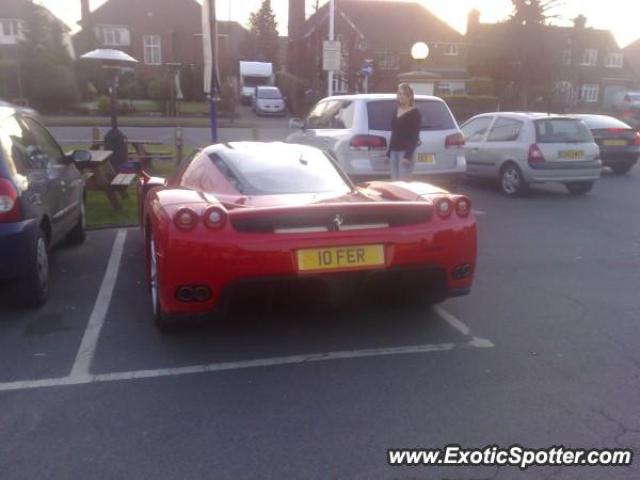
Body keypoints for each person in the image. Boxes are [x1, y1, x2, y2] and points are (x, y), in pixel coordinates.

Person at [387, 83, 422, 181]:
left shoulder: (415, 113)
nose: (401, 96)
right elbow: (394, 132)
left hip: (405, 153)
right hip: (394, 152)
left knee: (403, 184)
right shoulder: (396, 110)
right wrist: (389, 152)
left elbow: (415, 136)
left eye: (404, 94)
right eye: (399, 94)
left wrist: (408, 155)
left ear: (410, 96)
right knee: (395, 182)